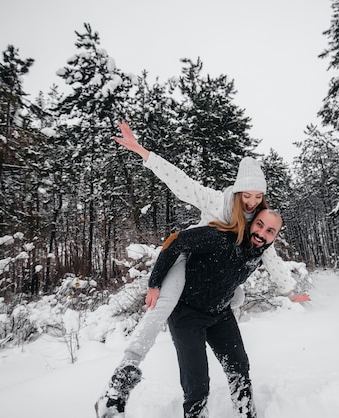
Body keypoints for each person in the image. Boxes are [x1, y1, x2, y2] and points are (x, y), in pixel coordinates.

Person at [95, 122, 309, 417]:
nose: (251, 201)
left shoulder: (260, 224)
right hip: (188, 257)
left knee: (236, 315)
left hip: (218, 296)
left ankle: (246, 411)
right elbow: (182, 184)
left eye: (257, 196)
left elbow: (272, 260)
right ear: (237, 190)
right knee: (163, 307)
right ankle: (119, 383)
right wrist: (144, 153)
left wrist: (289, 291)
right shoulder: (220, 202)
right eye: (247, 194)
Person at [155, 208, 284, 417]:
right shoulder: (220, 238)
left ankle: (246, 414)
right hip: (186, 314)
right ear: (251, 222)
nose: (262, 233)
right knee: (196, 385)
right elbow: (175, 240)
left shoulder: (258, 253)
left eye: (270, 230)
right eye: (259, 225)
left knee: (239, 367)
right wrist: (155, 284)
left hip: (220, 313)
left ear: (275, 236)